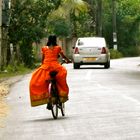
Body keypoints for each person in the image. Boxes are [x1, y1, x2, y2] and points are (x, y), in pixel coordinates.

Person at [29, 35, 71, 107]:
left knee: (39, 80)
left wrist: (42, 66)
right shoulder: (58, 48)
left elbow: (43, 59)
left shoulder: (44, 48)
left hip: (46, 67)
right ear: (55, 40)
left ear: (48, 40)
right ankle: (61, 96)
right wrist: (68, 60)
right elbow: (63, 56)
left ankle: (46, 97)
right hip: (56, 67)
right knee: (61, 79)